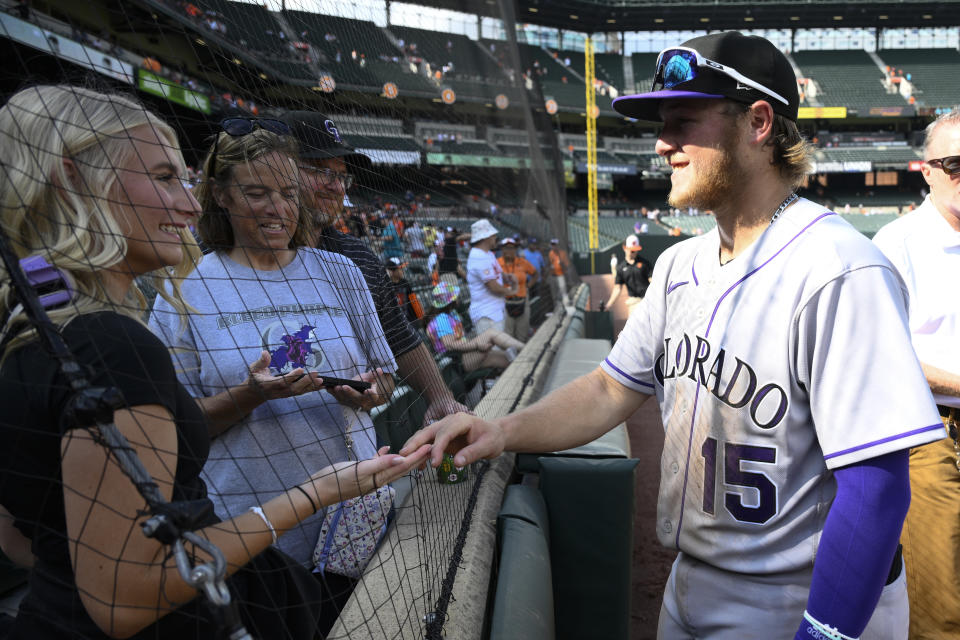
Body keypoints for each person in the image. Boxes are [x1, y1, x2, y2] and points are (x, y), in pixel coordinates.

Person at [402, 32, 945, 640]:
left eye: (684, 121)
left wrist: (825, 632)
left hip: (799, 596)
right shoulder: (678, 266)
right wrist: (500, 431)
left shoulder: (842, 268)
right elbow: (610, 390)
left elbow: (876, 488)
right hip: (690, 580)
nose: (663, 144)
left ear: (758, 123)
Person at [0, 85, 428, 640]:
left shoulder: (34, 330)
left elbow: (22, 539)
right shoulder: (112, 343)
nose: (187, 202)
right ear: (74, 180)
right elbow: (125, 597)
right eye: (162, 177)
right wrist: (314, 491)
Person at [147, 120, 400, 633]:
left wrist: (370, 391)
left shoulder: (340, 272)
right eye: (256, 193)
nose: (277, 208)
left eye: (287, 193)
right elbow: (170, 428)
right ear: (219, 194)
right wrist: (249, 396)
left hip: (350, 527)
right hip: (248, 536)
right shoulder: (188, 286)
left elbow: (386, 379)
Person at [280, 110, 469, 425]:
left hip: (358, 453)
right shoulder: (223, 260)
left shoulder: (358, 258)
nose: (336, 186)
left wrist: (441, 398)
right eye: (318, 169)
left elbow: (399, 337)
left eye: (341, 175)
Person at [872, 108, 960, 639]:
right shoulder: (896, 243)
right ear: (924, 169)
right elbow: (889, 358)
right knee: (940, 607)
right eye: (955, 163)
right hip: (930, 435)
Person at [424, 283, 523, 372]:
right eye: (456, 296)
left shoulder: (451, 313)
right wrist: (476, 345)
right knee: (491, 333)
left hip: (467, 354)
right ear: (451, 300)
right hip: (457, 361)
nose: (458, 297)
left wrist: (475, 345)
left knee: (507, 359)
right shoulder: (441, 319)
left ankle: (529, 359)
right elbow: (449, 345)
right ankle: (525, 348)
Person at [465, 219, 517, 334]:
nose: (495, 237)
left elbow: (499, 273)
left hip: (495, 311)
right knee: (495, 350)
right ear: (486, 237)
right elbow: (493, 287)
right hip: (487, 315)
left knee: (506, 348)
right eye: (493, 235)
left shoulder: (488, 253)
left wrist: (508, 277)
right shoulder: (478, 256)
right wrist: (512, 291)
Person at [497, 238, 538, 341]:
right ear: (502, 249)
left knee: (522, 333)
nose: (509, 251)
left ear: (516, 250)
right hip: (504, 301)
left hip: (522, 300)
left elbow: (535, 274)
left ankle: (521, 355)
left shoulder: (522, 262)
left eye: (512, 248)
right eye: (506, 248)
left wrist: (528, 286)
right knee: (507, 334)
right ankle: (510, 357)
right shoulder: (496, 263)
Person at [603, 234, 653, 316]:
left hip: (648, 300)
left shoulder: (645, 263)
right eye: (631, 250)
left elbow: (652, 281)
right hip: (633, 302)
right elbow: (617, 289)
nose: (634, 252)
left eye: (635, 250)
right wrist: (608, 305)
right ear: (624, 248)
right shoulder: (620, 268)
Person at [385, 256, 424, 326]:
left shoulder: (404, 282)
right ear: (391, 271)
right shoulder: (387, 286)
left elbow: (413, 299)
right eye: (400, 269)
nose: (402, 271)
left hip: (411, 320)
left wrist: (420, 315)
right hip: (398, 323)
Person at [548, 238, 570, 306]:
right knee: (554, 296)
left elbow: (567, 267)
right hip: (553, 277)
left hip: (561, 276)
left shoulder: (563, 253)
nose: (554, 246)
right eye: (552, 245)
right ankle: (556, 311)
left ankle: (563, 309)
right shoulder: (550, 253)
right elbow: (549, 265)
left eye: (555, 245)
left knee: (562, 295)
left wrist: (562, 264)